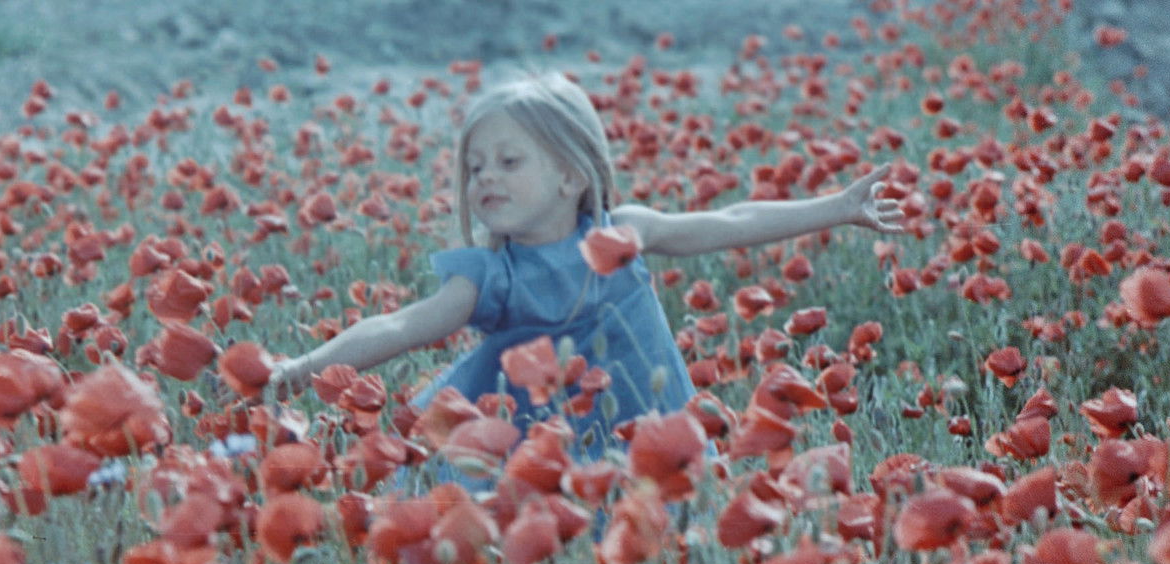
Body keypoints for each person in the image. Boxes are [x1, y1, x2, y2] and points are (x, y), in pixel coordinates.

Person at [269, 72, 904, 488]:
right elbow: (400, 325)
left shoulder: (624, 232)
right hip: (540, 455)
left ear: (571, 175)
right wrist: (305, 368)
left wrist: (837, 207)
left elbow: (730, 219)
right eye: (475, 166)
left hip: (649, 431)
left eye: (509, 161)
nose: (485, 177)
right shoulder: (491, 278)